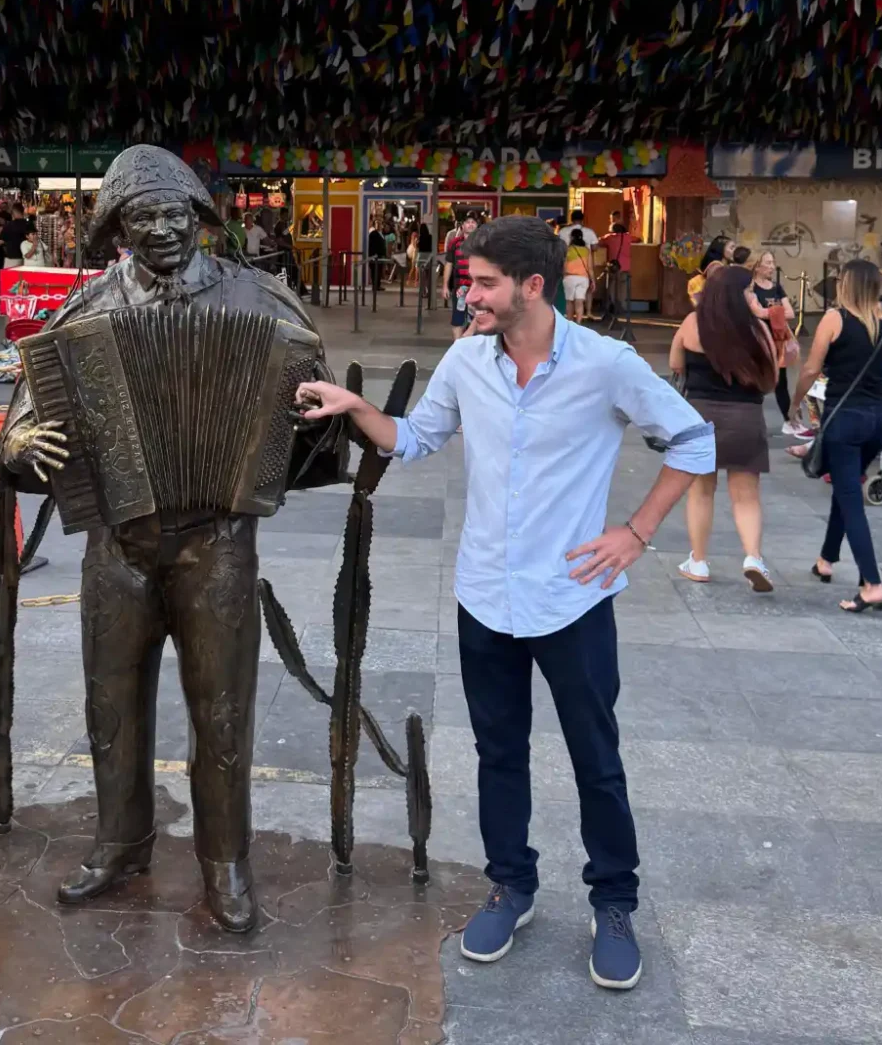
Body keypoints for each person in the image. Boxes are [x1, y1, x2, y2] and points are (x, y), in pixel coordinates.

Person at [295, 217, 714, 988]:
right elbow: (412, 438)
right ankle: (510, 885)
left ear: (532, 286)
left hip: (572, 598)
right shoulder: (465, 360)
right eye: (469, 280)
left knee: (596, 760)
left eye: (484, 282)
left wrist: (635, 532)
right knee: (498, 753)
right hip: (484, 593)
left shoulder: (605, 365)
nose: (470, 293)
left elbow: (693, 441)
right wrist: (354, 407)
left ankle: (613, 902)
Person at [0, 147, 345, 933]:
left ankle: (225, 861)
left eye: (173, 214)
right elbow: (24, 419)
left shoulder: (264, 302)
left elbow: (321, 440)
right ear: (117, 229)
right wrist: (18, 447)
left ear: (201, 219)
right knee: (109, 703)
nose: (160, 230)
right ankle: (120, 842)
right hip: (117, 543)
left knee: (223, 711)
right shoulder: (84, 312)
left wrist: (311, 428)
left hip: (216, 540)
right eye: (141, 217)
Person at [790, 260, 882, 615]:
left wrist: (794, 403)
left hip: (845, 418)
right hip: (878, 418)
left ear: (846, 284)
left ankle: (872, 584)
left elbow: (811, 368)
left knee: (851, 499)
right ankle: (826, 558)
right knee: (847, 484)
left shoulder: (834, 319)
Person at [670, 266, 775, 592]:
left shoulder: (692, 323)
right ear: (737, 294)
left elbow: (676, 364)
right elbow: (771, 380)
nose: (754, 296)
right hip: (745, 419)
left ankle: (698, 561)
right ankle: (753, 557)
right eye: (749, 291)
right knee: (746, 496)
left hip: (700, 417)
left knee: (701, 490)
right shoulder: (757, 329)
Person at [747, 249, 797, 419]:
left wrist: (771, 312)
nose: (772, 267)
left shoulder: (777, 287)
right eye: (768, 263)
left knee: (781, 381)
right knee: (757, 380)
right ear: (757, 266)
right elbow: (757, 312)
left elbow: (791, 313)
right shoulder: (750, 288)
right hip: (759, 339)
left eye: (772, 262)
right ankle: (751, 418)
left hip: (778, 340)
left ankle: (789, 420)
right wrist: (777, 311)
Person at [442, 210, 480, 336]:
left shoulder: (483, 244)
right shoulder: (455, 243)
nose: (470, 225)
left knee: (479, 317)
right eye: (468, 222)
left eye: (473, 222)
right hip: (460, 287)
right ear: (462, 225)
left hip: (478, 287)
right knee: (458, 317)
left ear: (477, 225)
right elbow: (449, 264)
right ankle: (458, 347)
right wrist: (445, 286)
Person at [563, 228, 592, 322]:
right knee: (579, 302)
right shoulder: (587, 250)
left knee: (569, 302)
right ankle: (578, 324)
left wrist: (563, 275)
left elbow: (563, 265)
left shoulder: (567, 250)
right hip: (584, 278)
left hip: (569, 277)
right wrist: (593, 281)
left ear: (571, 237)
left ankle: (570, 322)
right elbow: (590, 268)